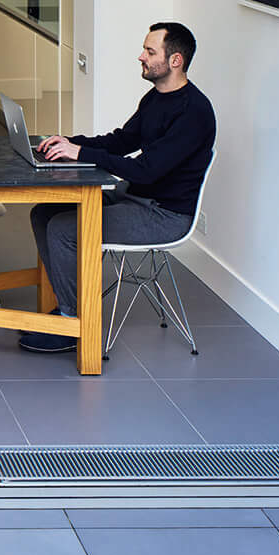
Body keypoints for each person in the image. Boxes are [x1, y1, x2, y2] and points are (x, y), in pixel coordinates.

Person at [17, 19, 215, 353]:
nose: (141, 56)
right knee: (44, 213)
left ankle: (74, 321)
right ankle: (68, 307)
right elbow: (121, 141)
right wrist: (67, 143)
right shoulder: (155, 99)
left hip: (164, 215)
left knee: (65, 230)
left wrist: (80, 153)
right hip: (136, 198)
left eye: (150, 51)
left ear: (175, 61)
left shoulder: (194, 112)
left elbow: (146, 171)